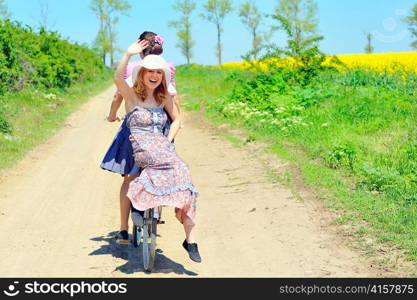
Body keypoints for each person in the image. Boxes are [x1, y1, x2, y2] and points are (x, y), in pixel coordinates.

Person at [114, 41, 201, 263]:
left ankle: (190, 240)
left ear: (163, 76)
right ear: (141, 74)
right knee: (139, 173)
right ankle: (136, 206)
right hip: (140, 147)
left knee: (183, 171)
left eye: (158, 73)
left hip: (162, 145)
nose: (154, 75)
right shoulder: (133, 97)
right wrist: (127, 54)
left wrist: (168, 140)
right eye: (150, 71)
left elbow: (177, 120)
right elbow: (117, 79)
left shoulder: (164, 98)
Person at [100, 31, 179, 245]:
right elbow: (174, 101)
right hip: (162, 127)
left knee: (129, 178)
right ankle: (156, 209)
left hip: (136, 129)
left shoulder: (135, 68)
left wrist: (112, 115)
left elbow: (118, 94)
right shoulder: (167, 68)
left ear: (140, 50)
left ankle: (123, 229)